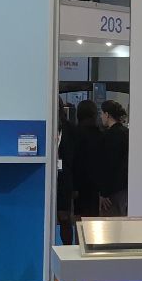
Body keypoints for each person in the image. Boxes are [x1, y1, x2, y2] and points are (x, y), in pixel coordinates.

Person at [71, 100, 104, 223]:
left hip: (79, 183)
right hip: (95, 183)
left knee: (79, 218)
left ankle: (79, 236)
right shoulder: (100, 135)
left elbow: (74, 160)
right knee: (93, 218)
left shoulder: (74, 133)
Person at [99, 99, 129, 216]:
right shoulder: (126, 132)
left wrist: (104, 193)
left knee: (110, 222)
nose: (101, 116)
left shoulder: (108, 136)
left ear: (107, 114)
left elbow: (108, 165)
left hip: (112, 191)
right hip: (125, 187)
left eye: (102, 113)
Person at [56, 100, 78, 246]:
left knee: (64, 217)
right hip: (47, 176)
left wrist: (75, 185)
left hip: (65, 178)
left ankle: (67, 248)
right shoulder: (46, 126)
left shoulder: (70, 128)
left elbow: (75, 157)